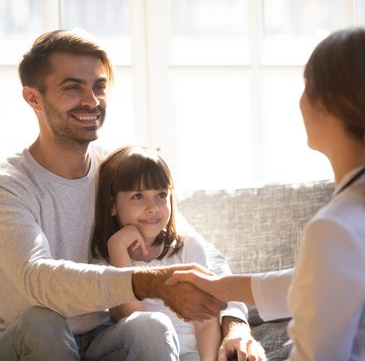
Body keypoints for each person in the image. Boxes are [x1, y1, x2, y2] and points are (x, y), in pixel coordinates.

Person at [0, 29, 264, 360]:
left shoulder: (115, 170)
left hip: (103, 337)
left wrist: (236, 326)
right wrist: (145, 281)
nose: (92, 102)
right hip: (29, 340)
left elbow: (202, 255)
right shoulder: (10, 185)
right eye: (72, 88)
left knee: (151, 325)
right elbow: (38, 279)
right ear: (33, 98)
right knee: (43, 322)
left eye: (98, 87)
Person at [167, 27, 365, 360]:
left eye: (306, 87)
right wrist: (224, 286)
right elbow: (328, 283)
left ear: (326, 105)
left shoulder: (335, 228)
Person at [91, 145, 224, 361]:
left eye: (161, 195)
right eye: (138, 196)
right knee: (150, 325)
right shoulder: (105, 259)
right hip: (140, 353)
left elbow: (207, 324)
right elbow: (131, 316)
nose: (153, 207)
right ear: (112, 205)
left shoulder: (188, 248)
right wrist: (117, 247)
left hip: (191, 355)